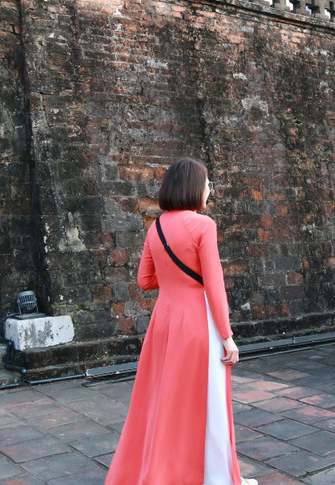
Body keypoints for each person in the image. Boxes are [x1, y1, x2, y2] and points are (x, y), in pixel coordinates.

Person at [106, 158, 257, 485]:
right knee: (210, 401)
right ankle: (218, 478)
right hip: (197, 321)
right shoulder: (204, 225)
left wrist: (174, 276)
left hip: (164, 320)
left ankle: (161, 472)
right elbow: (214, 285)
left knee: (163, 400)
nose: (209, 189)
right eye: (206, 183)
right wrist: (228, 336)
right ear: (193, 187)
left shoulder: (155, 226)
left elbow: (145, 280)